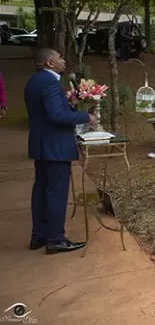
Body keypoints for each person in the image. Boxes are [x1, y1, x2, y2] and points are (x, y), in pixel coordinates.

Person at [24, 48, 97, 254]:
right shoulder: (50, 83)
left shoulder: (33, 81)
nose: (63, 61)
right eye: (59, 58)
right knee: (56, 193)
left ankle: (39, 235)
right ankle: (56, 239)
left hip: (41, 145)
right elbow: (56, 116)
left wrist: (70, 105)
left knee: (41, 191)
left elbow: (49, 112)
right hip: (55, 147)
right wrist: (85, 117)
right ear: (49, 63)